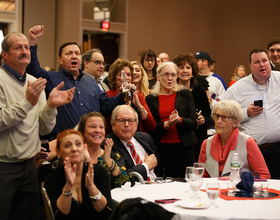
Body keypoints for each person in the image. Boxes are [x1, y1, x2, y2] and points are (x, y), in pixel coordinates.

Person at [0, 32, 75, 220]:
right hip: (4, 167)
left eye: (26, 47)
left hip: (30, 166)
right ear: (4, 55)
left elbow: (44, 129)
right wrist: (27, 103)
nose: (25, 51)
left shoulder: (34, 82)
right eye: (18, 47)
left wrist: (51, 106)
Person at [26, 25, 125, 140]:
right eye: (69, 53)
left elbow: (106, 106)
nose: (74, 56)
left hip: (90, 142)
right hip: (63, 143)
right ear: (60, 60)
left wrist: (123, 95)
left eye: (77, 53)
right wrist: (33, 43)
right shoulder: (51, 78)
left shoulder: (92, 82)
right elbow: (33, 70)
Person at [222, 48, 280, 179]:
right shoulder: (238, 88)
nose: (262, 65)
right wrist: (245, 113)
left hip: (278, 149)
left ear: (269, 62)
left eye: (264, 61)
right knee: (255, 189)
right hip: (253, 151)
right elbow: (221, 114)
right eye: (257, 62)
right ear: (250, 66)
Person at [44, 129, 112, 220]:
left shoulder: (99, 172)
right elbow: (58, 216)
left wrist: (91, 187)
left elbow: (107, 212)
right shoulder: (52, 178)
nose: (74, 149)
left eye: (78, 144)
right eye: (68, 145)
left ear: (84, 148)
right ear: (58, 152)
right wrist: (68, 186)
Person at [146, 62, 197, 178]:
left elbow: (193, 122)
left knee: (183, 184)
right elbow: (150, 127)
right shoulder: (150, 99)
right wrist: (166, 124)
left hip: (184, 147)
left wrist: (179, 120)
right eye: (166, 75)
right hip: (161, 148)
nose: (170, 78)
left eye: (173, 75)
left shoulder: (185, 94)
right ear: (158, 77)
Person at [198, 100, 270, 179]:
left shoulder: (248, 142)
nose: (219, 121)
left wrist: (239, 181)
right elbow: (202, 177)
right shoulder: (206, 143)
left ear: (235, 122)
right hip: (214, 190)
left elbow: (264, 176)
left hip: (239, 190)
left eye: (225, 118)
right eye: (217, 116)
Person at [172, 53, 214, 160]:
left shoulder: (200, 92)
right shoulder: (172, 92)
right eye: (181, 68)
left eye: (188, 68)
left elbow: (210, 117)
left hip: (198, 140)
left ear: (193, 72)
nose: (185, 71)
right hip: (176, 140)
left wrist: (204, 120)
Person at [77, 111, 135, 188]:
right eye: (92, 127)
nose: (98, 130)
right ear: (82, 131)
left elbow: (128, 183)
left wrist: (109, 162)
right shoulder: (75, 156)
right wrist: (87, 162)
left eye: (101, 127)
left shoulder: (113, 156)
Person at [106, 105, 160, 181]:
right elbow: (122, 176)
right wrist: (146, 166)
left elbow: (159, 168)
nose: (126, 124)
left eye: (131, 120)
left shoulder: (146, 138)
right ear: (113, 125)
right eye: (122, 120)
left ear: (136, 124)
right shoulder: (108, 145)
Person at [107, 58, 155, 133]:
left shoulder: (138, 96)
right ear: (114, 79)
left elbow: (151, 126)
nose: (125, 78)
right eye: (121, 75)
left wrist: (139, 107)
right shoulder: (108, 96)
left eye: (128, 75)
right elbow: (107, 125)